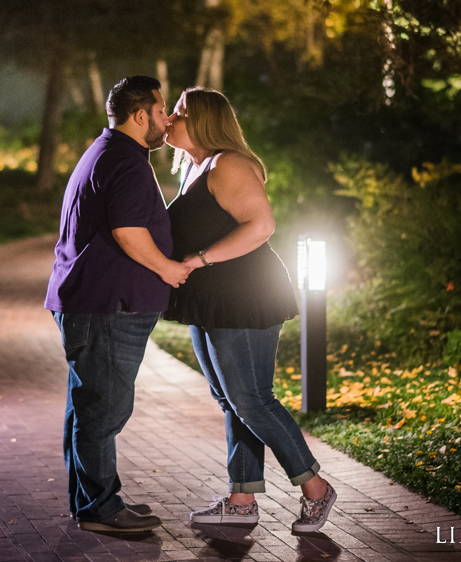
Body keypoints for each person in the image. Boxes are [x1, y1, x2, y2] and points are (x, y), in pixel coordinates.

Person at [162, 87, 336, 534]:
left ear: (202, 121)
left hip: (244, 295)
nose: (169, 120)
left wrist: (199, 259)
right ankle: (241, 501)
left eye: (178, 113)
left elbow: (261, 225)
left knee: (252, 401)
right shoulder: (196, 167)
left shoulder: (228, 164)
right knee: (231, 401)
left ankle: (315, 487)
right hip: (213, 299)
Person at [45, 75, 190, 533]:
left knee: (89, 406)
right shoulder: (126, 162)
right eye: (162, 111)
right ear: (140, 113)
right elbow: (128, 232)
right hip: (107, 306)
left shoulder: (107, 152)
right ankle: (102, 509)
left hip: (94, 303)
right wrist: (167, 269)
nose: (167, 122)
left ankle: (90, 502)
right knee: (103, 410)